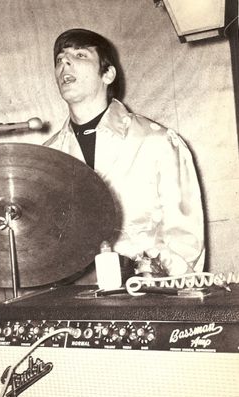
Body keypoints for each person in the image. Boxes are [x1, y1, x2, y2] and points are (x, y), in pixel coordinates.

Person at [45, 28, 205, 282]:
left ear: (107, 74)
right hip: (76, 304)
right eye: (60, 59)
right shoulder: (46, 158)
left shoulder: (157, 141)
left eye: (80, 55)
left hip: (148, 299)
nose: (65, 62)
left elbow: (186, 244)